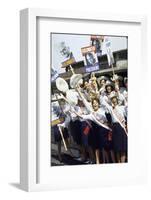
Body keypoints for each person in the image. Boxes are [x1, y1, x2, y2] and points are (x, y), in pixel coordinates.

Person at [102, 91, 128, 163]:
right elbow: (103, 102)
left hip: (122, 127)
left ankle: (122, 163)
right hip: (115, 128)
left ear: (117, 99)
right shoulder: (110, 108)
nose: (114, 100)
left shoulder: (122, 107)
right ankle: (118, 163)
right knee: (117, 147)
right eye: (112, 99)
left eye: (115, 98)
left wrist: (118, 90)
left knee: (123, 148)